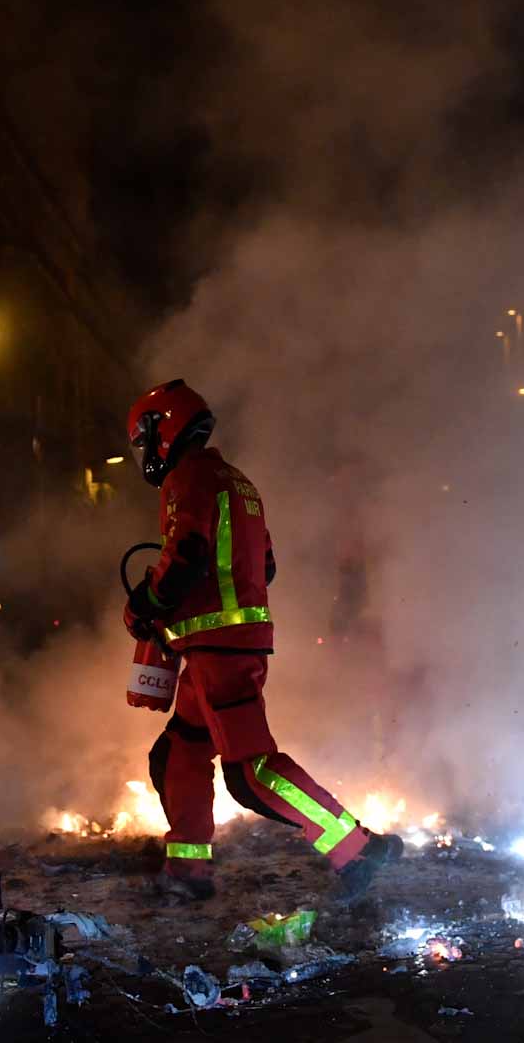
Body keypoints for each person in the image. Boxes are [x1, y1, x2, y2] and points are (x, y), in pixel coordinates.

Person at [121, 379, 403, 902]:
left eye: (146, 438)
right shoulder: (236, 481)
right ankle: (188, 872)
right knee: (178, 754)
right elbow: (264, 564)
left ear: (166, 428)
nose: (146, 452)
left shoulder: (189, 478)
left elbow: (184, 555)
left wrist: (146, 604)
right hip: (219, 647)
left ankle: (356, 847)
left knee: (251, 775)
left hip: (219, 651)